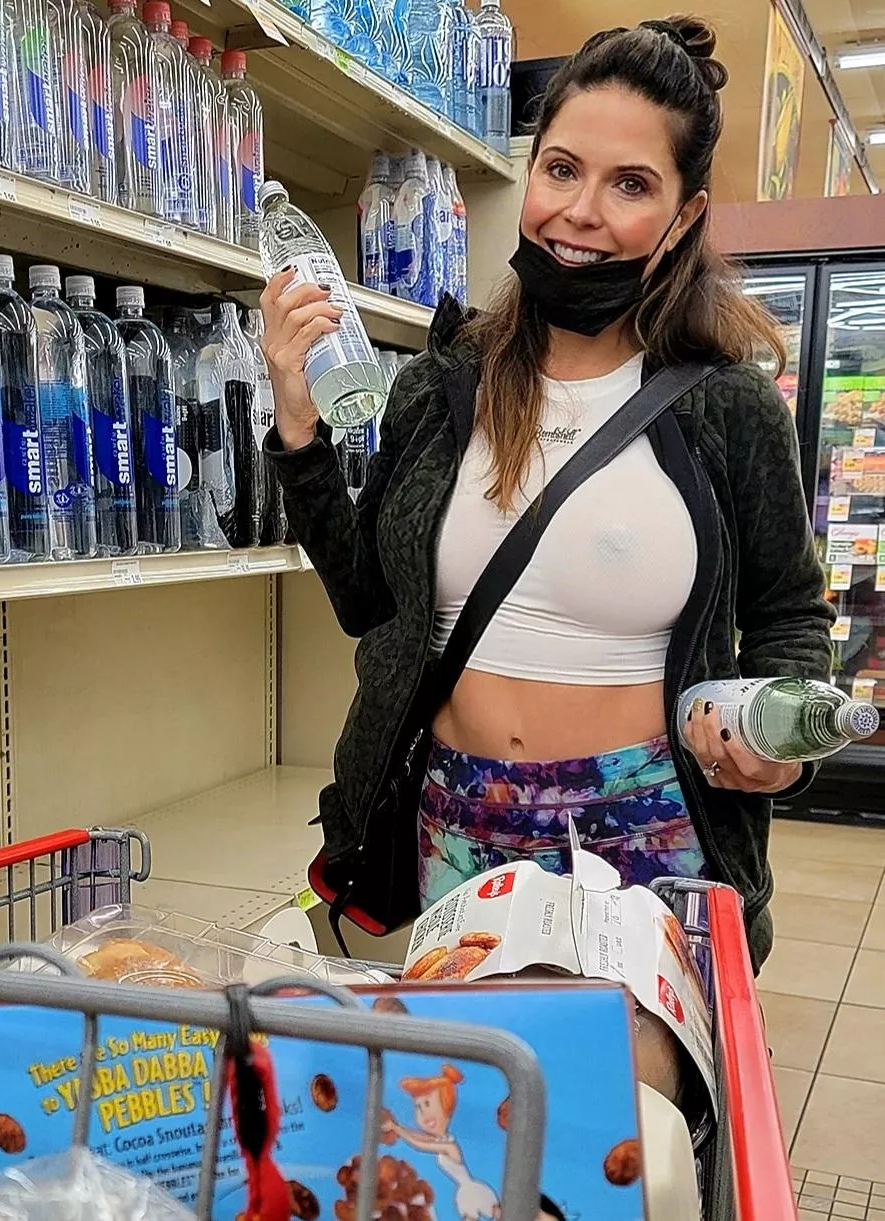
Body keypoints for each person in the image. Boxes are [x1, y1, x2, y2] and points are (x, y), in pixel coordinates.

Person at [260, 16, 835, 970]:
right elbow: (366, 601)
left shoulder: (726, 406)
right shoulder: (440, 387)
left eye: (631, 185)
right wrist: (297, 427)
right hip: (454, 811)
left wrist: (787, 735)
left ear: (683, 217)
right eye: (561, 170)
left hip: (650, 822)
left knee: (627, 1110)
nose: (580, 211)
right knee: (474, 1105)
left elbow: (787, 613)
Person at [383, 1065, 501, 1221]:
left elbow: (420, 1144)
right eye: (418, 1107)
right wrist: (397, 1127)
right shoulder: (442, 1140)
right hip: (466, 1189)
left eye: (427, 1104)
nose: (423, 1113)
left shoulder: (449, 1147)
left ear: (446, 1106)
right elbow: (419, 1137)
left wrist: (397, 1129)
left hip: (470, 1189)